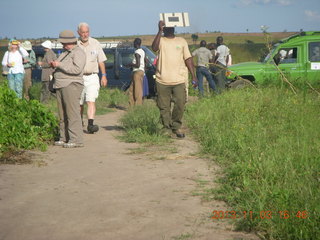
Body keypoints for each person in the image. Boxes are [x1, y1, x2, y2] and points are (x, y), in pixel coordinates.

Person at [152, 20, 197, 138]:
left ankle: (176, 127)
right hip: (162, 80)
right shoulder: (161, 40)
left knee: (180, 104)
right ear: (165, 28)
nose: (170, 29)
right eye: (167, 27)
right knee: (164, 106)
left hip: (179, 80)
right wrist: (159, 31)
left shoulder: (181, 41)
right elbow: (154, 47)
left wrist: (194, 76)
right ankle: (166, 128)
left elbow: (188, 59)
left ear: (174, 29)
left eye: (172, 27)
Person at [51, 30, 86, 148]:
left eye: (64, 42)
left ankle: (76, 139)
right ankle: (64, 137)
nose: (63, 45)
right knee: (62, 114)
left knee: (72, 113)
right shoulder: (65, 52)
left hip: (71, 84)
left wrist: (59, 65)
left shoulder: (78, 52)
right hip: (61, 85)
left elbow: (77, 69)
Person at [77, 22, 108, 134]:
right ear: (78, 33)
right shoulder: (76, 45)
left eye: (87, 32)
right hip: (79, 78)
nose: (85, 34)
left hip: (93, 76)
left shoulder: (95, 43)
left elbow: (101, 61)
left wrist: (103, 76)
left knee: (91, 101)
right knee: (79, 103)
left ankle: (90, 124)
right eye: (83, 32)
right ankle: (79, 123)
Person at [127, 38, 145, 106]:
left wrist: (130, 64)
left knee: (137, 90)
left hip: (137, 72)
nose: (133, 44)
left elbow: (137, 65)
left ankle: (138, 106)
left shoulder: (137, 52)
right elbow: (145, 61)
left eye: (134, 43)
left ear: (136, 43)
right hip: (139, 72)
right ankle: (131, 106)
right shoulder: (142, 51)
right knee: (131, 90)